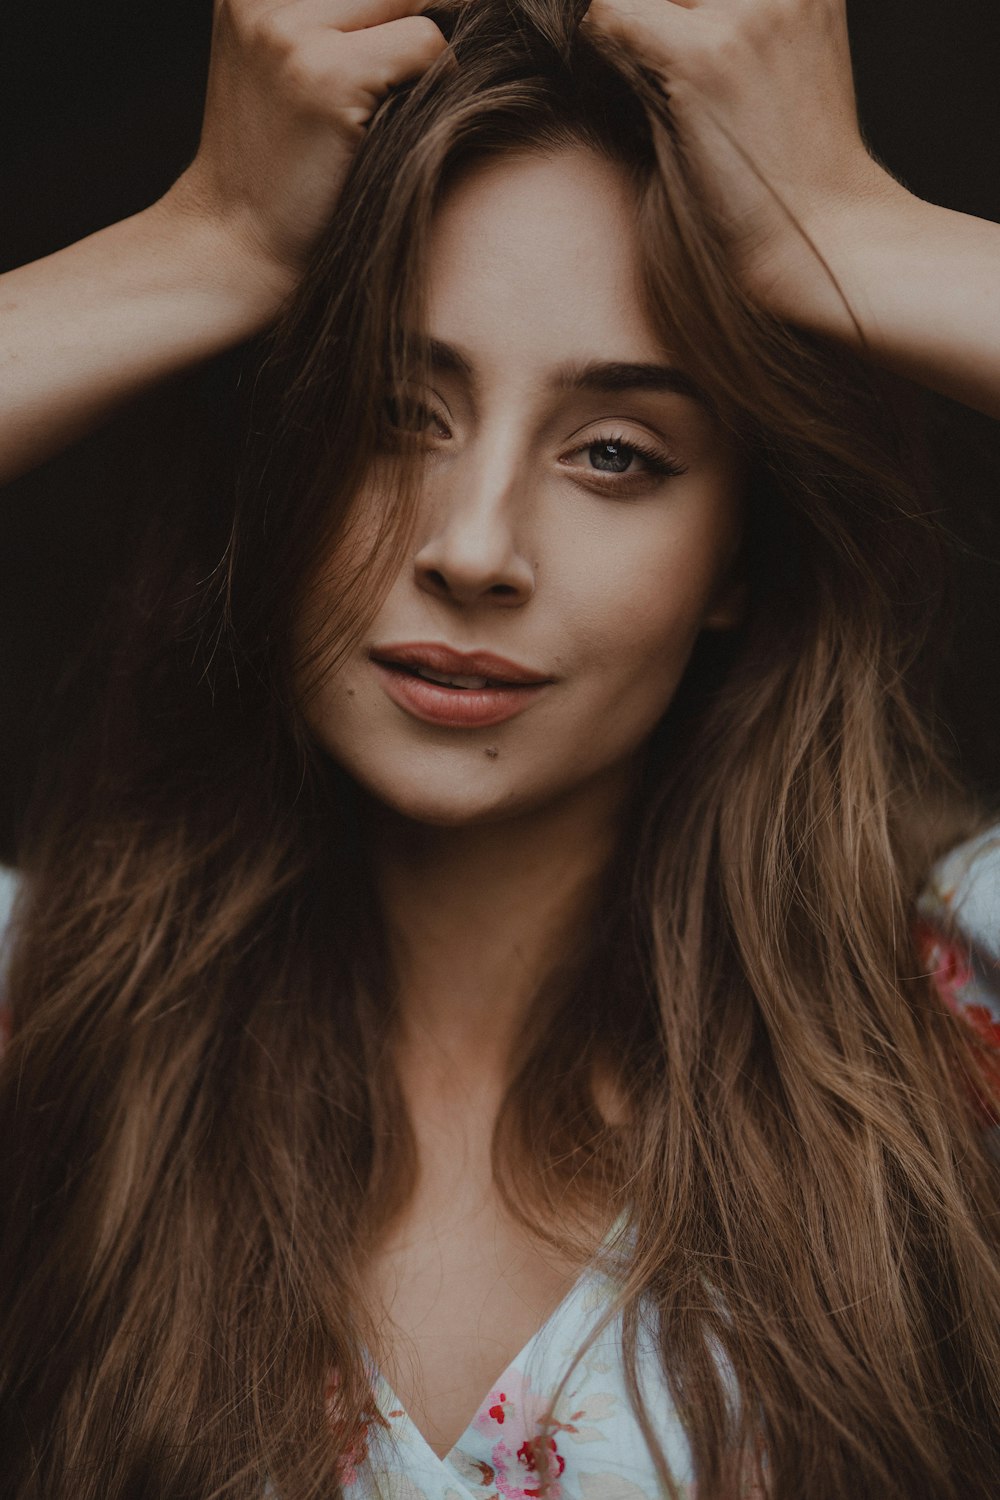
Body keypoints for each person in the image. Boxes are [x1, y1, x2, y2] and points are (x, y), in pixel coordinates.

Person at [0, 1, 998, 1496]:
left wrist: (851, 231)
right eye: (393, 414)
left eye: (615, 453)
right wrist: (202, 244)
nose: (476, 551)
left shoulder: (954, 1021)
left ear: (737, 554)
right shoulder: (46, 1030)